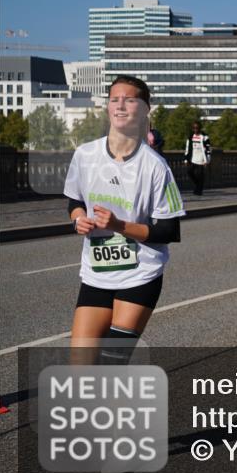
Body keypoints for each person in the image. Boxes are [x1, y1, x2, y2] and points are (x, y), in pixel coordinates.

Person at [65, 75, 184, 365]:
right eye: (115, 99)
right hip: (97, 272)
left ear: (144, 110)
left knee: (111, 362)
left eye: (130, 100)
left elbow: (169, 229)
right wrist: (78, 219)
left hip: (140, 272)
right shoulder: (85, 155)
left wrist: (119, 226)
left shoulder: (156, 166)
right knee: (79, 365)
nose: (120, 105)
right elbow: (75, 200)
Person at [184, 121, 211, 196]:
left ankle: (199, 190)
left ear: (200, 128)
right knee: (189, 172)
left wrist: (207, 160)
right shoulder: (190, 137)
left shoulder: (204, 137)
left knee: (200, 175)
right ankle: (198, 186)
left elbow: (208, 149)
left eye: (197, 128)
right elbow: (187, 148)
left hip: (202, 159)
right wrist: (186, 159)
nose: (196, 130)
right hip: (192, 159)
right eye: (194, 128)